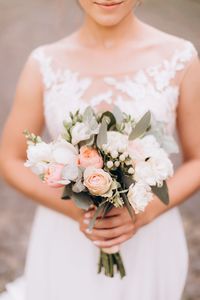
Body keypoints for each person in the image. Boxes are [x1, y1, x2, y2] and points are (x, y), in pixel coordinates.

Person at [0, 0, 200, 299]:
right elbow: (10, 158)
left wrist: (144, 213)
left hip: (149, 237)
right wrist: (77, 210)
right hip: (66, 236)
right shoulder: (44, 63)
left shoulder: (180, 58)